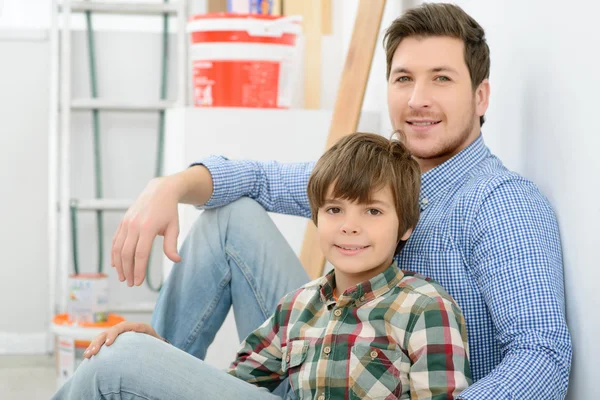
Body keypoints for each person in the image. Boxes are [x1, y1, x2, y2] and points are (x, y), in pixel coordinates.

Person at [105, 2, 570, 399]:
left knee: (116, 366)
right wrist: (167, 188)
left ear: (481, 96)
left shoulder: (504, 206)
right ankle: (161, 360)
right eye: (404, 78)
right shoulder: (376, 176)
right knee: (227, 218)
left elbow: (543, 354)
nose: (418, 100)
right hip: (323, 367)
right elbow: (259, 179)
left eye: (442, 79)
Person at [53, 133, 472, 399]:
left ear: (406, 225)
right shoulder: (298, 307)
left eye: (373, 212)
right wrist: (161, 359)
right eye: (335, 209)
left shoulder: (425, 308)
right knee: (120, 353)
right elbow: (233, 387)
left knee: (118, 361)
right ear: (316, 217)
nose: (350, 227)